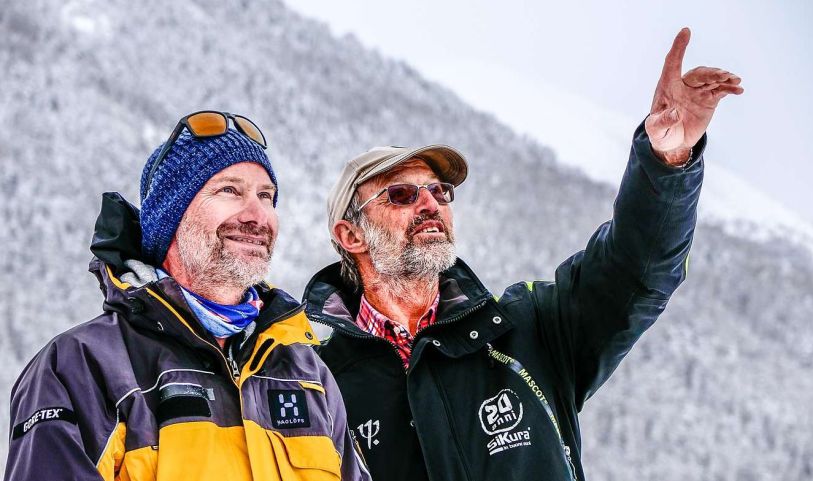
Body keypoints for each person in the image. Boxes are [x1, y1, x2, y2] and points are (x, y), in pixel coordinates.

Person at [303, 28, 742, 481]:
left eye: (440, 190)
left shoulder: (531, 328)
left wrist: (665, 161)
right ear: (350, 234)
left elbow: (636, 271)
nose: (430, 203)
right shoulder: (317, 383)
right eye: (401, 194)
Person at [4, 111, 370, 481]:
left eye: (266, 196)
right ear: (171, 217)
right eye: (230, 190)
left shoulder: (306, 373)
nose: (258, 215)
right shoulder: (81, 366)